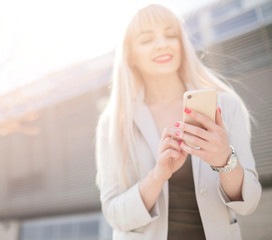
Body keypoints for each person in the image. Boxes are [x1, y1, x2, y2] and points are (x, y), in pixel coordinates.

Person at [95, 4, 262, 240]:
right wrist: (158, 175)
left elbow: (249, 203)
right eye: (147, 39)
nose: (162, 43)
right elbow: (114, 215)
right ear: (130, 55)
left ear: (182, 43)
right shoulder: (113, 123)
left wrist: (224, 159)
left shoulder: (226, 106)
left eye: (170, 35)